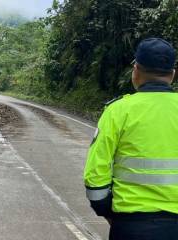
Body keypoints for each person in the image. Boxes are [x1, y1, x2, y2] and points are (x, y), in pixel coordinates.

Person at [84, 38, 178, 240]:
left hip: (132, 226)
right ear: (173, 74)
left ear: (135, 71)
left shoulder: (118, 110)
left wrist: (106, 211)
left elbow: (95, 171)